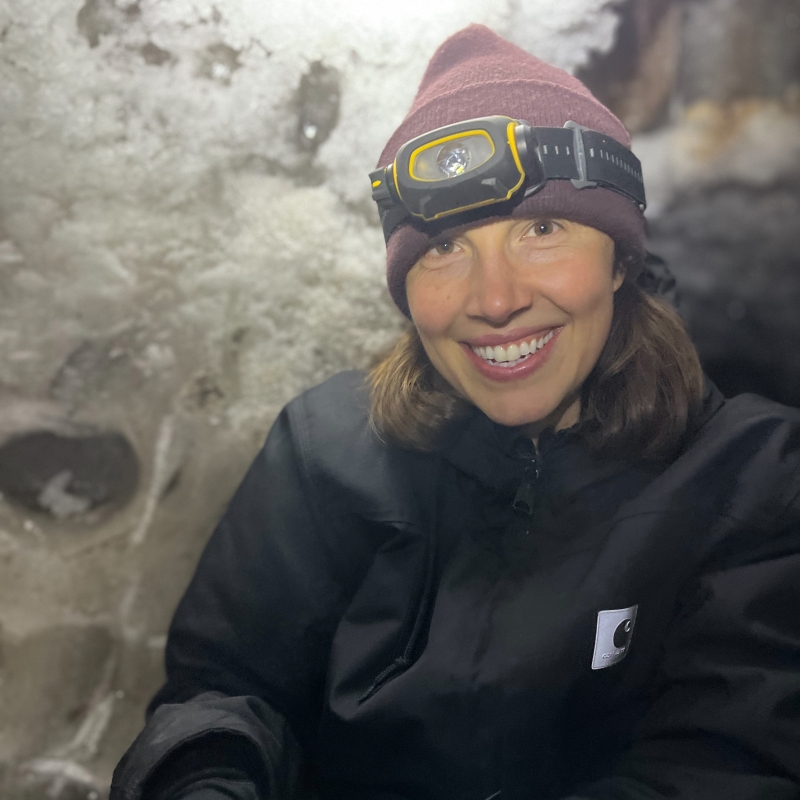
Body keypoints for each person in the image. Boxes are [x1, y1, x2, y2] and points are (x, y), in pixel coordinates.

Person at [111, 25, 800, 800]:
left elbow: (729, 766)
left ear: (619, 261)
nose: (496, 299)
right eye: (443, 247)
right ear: (405, 289)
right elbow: (225, 690)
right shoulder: (325, 449)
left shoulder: (752, 481)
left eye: (541, 230)